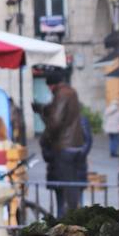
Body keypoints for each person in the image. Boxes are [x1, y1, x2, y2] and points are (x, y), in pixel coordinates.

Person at [31, 72, 86, 218]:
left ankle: (72, 219)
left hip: (65, 146)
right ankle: (74, 215)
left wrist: (45, 137)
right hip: (76, 144)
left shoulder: (61, 94)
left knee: (68, 186)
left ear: (51, 85)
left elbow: (55, 121)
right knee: (72, 183)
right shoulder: (71, 92)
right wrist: (44, 109)